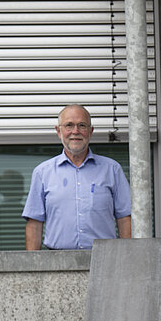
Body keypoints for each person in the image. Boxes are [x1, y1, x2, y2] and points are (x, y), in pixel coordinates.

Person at [23, 105, 132, 250]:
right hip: (56, 263)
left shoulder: (112, 170)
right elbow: (34, 224)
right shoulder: (42, 173)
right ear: (58, 131)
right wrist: (33, 267)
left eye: (82, 126)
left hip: (105, 261)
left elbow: (125, 219)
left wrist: (127, 259)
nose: (75, 131)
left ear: (91, 131)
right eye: (69, 125)